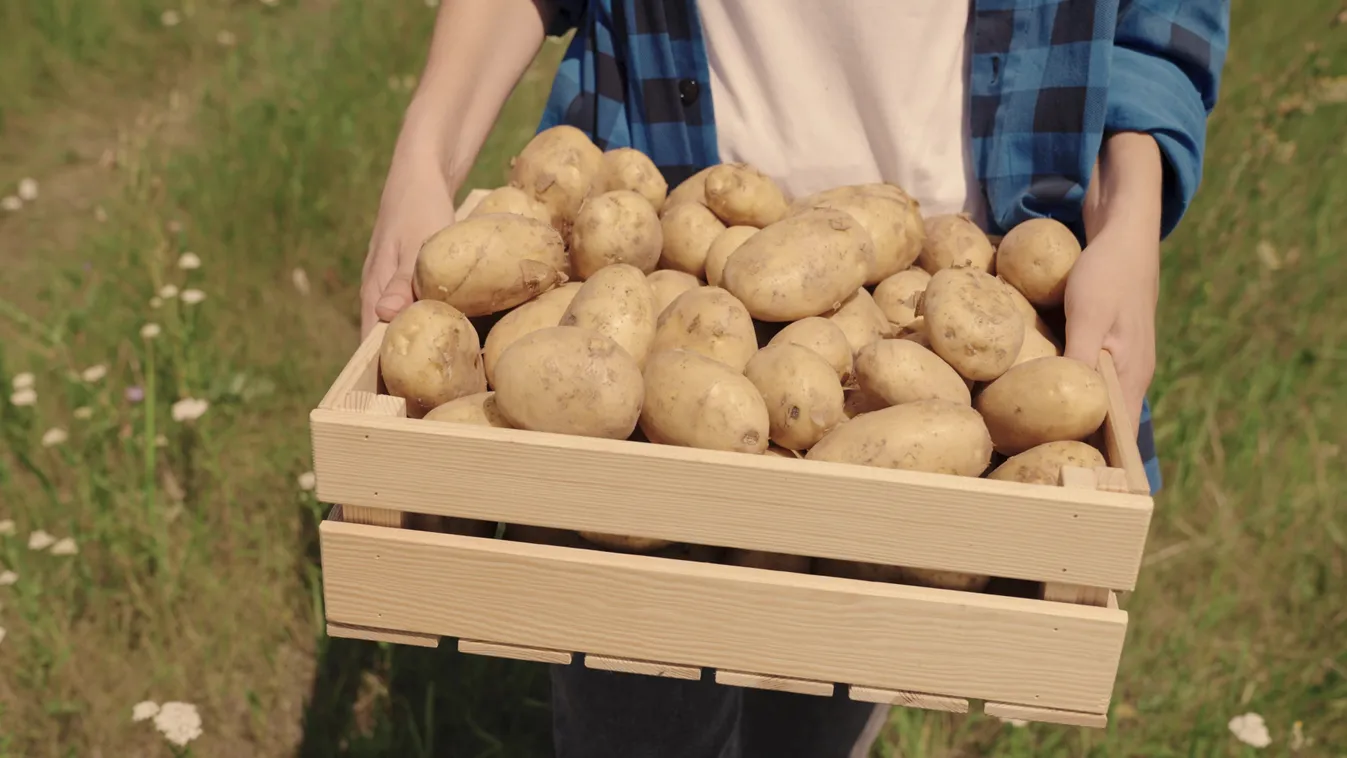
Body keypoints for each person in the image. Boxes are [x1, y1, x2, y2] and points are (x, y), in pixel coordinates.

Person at [360, 1, 1229, 755]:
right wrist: (425, 157)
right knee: (632, 714)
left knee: (825, 709)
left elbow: (1157, 19)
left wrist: (1129, 211)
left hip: (955, 258)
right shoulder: (637, 282)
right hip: (664, 217)